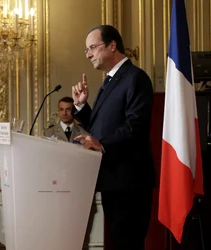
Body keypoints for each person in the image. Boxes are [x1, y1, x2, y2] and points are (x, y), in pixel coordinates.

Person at [72, 25, 154, 250]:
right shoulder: (110, 81)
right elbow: (102, 128)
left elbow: (135, 125)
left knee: (126, 243)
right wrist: (82, 107)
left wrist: (102, 143)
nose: (88, 54)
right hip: (113, 180)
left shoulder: (135, 78)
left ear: (112, 45)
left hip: (130, 181)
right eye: (86, 50)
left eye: (92, 48)